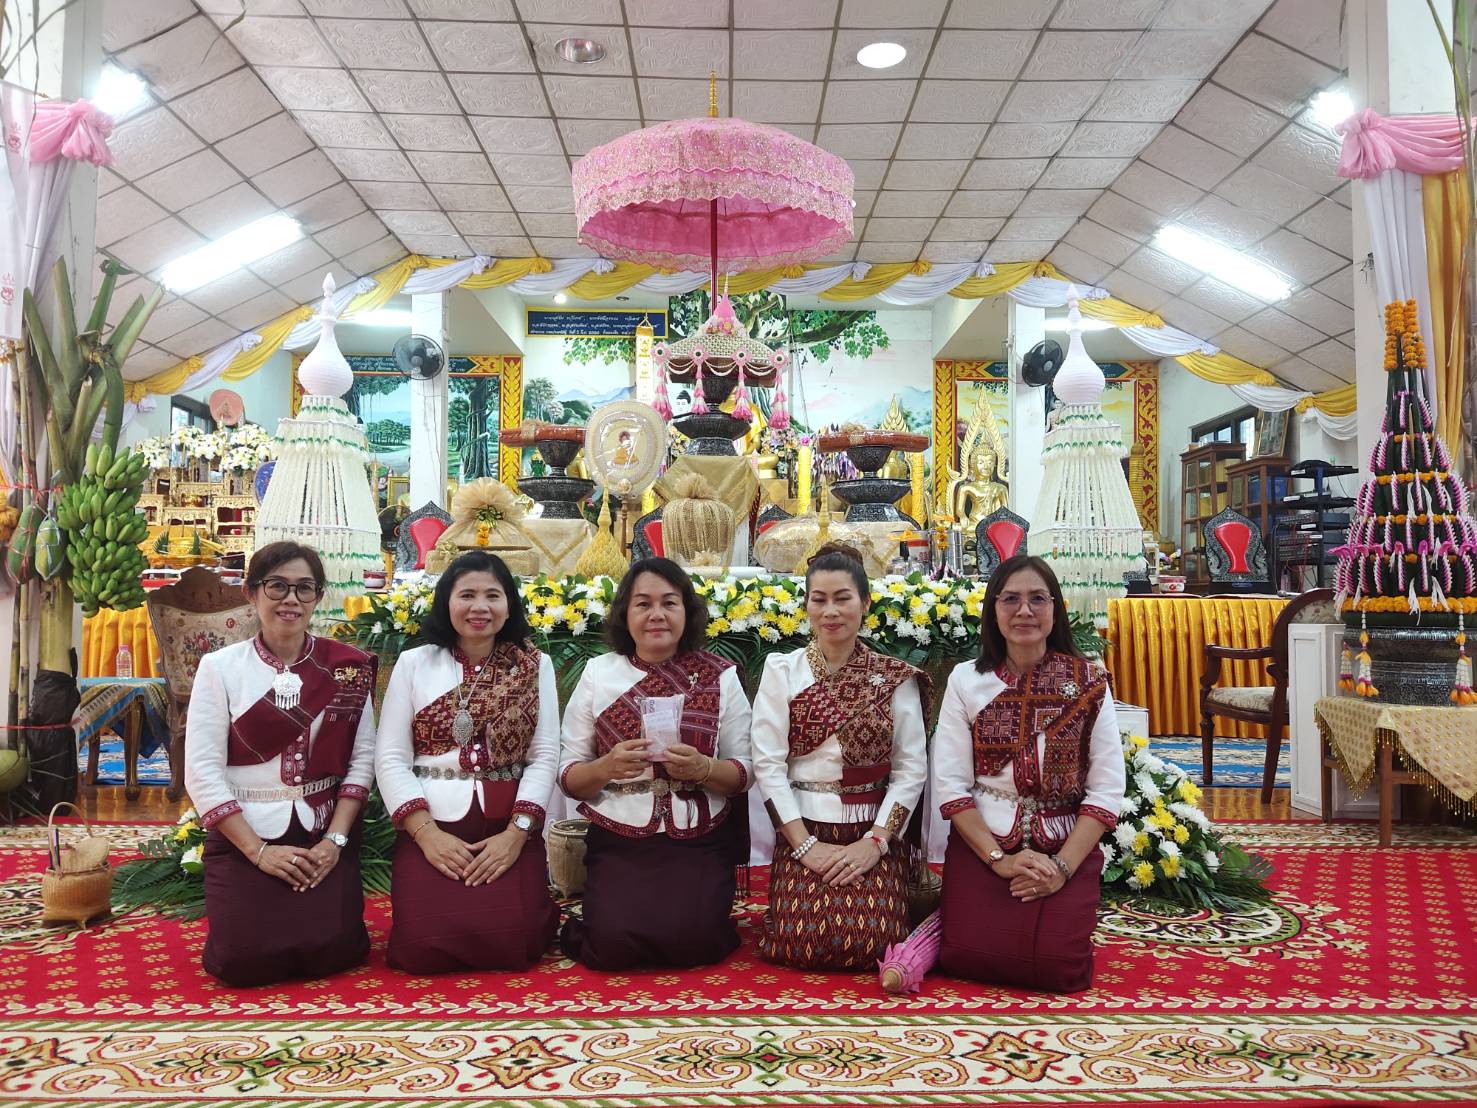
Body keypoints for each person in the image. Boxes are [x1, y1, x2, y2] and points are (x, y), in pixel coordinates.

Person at [184, 541, 377, 987]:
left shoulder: (347, 667)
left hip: (320, 830)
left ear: (318, 597)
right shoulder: (220, 668)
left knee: (337, 951)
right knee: (241, 963)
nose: (291, 599)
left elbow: (362, 759)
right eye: (277, 586)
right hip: (246, 832)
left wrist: (335, 842)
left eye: (304, 588)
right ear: (251, 592)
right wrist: (258, 851)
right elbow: (202, 771)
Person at [931, 554, 1126, 993]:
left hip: (1063, 842)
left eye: (1038, 599)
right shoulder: (966, 681)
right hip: (985, 841)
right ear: (993, 610)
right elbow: (951, 784)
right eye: (1011, 599)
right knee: (965, 955)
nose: (1024, 611)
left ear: (1055, 608)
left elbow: (1106, 788)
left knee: (1059, 967)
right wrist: (1000, 861)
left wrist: (1061, 868)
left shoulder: (1088, 682)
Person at [558, 557, 752, 970]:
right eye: (643, 604)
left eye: (669, 603)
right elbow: (569, 775)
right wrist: (605, 768)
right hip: (620, 832)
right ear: (625, 613)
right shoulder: (598, 674)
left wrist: (704, 769)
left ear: (687, 611)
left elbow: (744, 772)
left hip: (698, 834)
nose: (657, 614)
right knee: (611, 946)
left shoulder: (720, 675)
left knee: (695, 942)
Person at [375, 550, 560, 974]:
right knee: (422, 946)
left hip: (506, 824)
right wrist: (426, 835)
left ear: (508, 605)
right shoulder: (414, 663)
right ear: (446, 602)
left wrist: (516, 834)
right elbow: (391, 757)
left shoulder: (534, 665)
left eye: (493, 595)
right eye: (467, 595)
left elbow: (545, 754)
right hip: (432, 823)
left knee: (517, 942)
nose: (480, 607)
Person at [750, 541, 929, 970]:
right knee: (800, 941)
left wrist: (876, 843)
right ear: (806, 606)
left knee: (876, 940)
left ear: (865, 603)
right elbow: (768, 765)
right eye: (819, 599)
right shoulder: (782, 671)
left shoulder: (894, 678)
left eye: (843, 598)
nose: (830, 611)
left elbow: (910, 769)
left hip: (872, 829)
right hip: (803, 826)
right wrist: (804, 846)